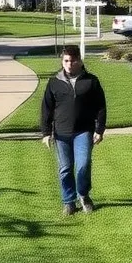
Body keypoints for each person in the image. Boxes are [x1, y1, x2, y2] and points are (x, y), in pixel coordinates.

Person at [40, 45, 107, 216]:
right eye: (66, 61)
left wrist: (99, 130)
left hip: (83, 131)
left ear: (80, 60)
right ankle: (68, 201)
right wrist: (46, 133)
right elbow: (46, 108)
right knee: (65, 168)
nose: (69, 64)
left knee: (83, 165)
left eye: (73, 60)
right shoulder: (54, 82)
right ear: (62, 61)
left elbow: (100, 106)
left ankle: (83, 195)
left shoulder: (91, 81)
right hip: (61, 134)